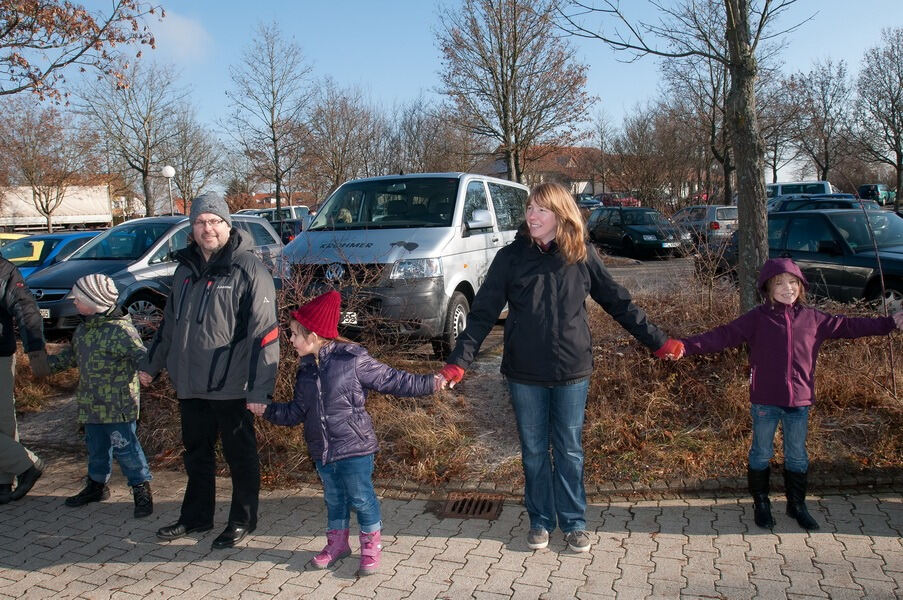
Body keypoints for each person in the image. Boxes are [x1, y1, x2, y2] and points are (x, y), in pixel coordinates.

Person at [437, 182, 683, 553]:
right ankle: (539, 520)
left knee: (569, 449)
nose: (531, 216)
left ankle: (574, 522)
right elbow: (483, 313)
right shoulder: (511, 258)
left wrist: (658, 340)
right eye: (530, 209)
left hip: (572, 371)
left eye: (541, 210)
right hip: (524, 373)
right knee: (534, 450)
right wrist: (458, 363)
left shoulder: (581, 256)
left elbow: (619, 303)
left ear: (560, 214)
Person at [679, 258, 903, 531]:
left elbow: (851, 327)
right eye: (780, 283)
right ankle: (761, 503)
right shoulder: (757, 319)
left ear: (801, 286)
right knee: (761, 454)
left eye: (793, 283)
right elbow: (721, 336)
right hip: (765, 400)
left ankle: (797, 505)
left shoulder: (813, 319)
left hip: (800, 401)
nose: (788, 289)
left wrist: (890, 322)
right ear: (768, 288)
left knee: (797, 455)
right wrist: (684, 346)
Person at [248, 290, 440, 576]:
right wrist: (268, 410)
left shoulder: (353, 360)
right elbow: (297, 412)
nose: (290, 340)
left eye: (294, 334)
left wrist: (431, 383)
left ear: (312, 335)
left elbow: (393, 380)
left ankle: (371, 547)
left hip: (354, 448)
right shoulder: (306, 370)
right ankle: (337, 545)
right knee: (334, 499)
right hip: (322, 450)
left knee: (362, 498)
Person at [138, 192, 280, 549]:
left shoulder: (248, 269)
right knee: (196, 454)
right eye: (201, 221)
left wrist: (260, 390)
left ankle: (242, 519)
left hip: (231, 385)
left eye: (215, 221)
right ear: (191, 227)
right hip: (190, 384)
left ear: (228, 225)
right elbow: (169, 324)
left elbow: (266, 334)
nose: (208, 228)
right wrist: (150, 366)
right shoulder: (184, 270)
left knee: (239, 455)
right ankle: (196, 517)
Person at [48, 274, 153, 517]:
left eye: (78, 299)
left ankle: (140, 487)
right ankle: (96, 485)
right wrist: (45, 363)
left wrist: (147, 370)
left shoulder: (121, 331)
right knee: (96, 447)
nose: (74, 303)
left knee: (125, 447)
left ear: (94, 301)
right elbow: (72, 356)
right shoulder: (84, 330)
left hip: (117, 405)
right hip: (90, 404)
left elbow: (141, 355)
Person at [0, 256, 50, 504]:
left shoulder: (4, 270)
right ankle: (16, 472)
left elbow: (25, 307)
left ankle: (13, 473)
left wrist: (36, 349)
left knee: (4, 420)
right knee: (4, 421)